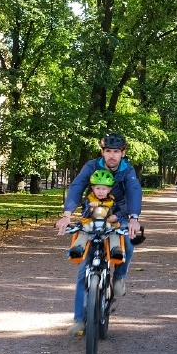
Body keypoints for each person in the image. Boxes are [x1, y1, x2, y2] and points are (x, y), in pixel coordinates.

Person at [55, 132, 143, 331]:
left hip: (118, 213)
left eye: (116, 152)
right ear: (102, 152)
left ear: (123, 153)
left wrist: (133, 219)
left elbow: (134, 190)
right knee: (83, 268)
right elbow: (77, 186)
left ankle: (119, 276)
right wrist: (67, 214)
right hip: (93, 214)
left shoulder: (127, 169)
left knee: (128, 243)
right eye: (108, 151)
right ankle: (79, 320)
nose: (112, 156)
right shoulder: (92, 166)